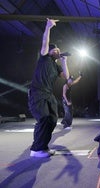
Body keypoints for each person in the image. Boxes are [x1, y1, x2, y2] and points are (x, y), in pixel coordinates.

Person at [28, 18, 70, 158]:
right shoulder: (45, 57)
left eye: (59, 50)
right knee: (44, 118)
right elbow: (45, 42)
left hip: (48, 94)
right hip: (37, 92)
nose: (58, 51)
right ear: (51, 51)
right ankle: (36, 149)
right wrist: (48, 27)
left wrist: (64, 62)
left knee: (52, 119)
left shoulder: (56, 65)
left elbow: (67, 76)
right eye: (56, 50)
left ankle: (43, 147)